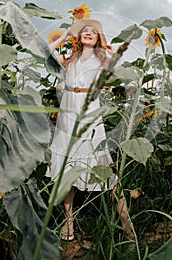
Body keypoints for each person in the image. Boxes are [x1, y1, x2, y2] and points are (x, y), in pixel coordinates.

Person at [46, 19, 133, 241]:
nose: (87, 33)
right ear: (78, 37)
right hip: (67, 110)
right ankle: (69, 220)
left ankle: (126, 221)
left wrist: (111, 53)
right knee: (67, 165)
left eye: (93, 32)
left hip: (88, 110)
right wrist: (64, 38)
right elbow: (45, 56)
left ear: (98, 38)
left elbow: (120, 72)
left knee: (100, 164)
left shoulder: (101, 58)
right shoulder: (70, 57)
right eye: (84, 31)